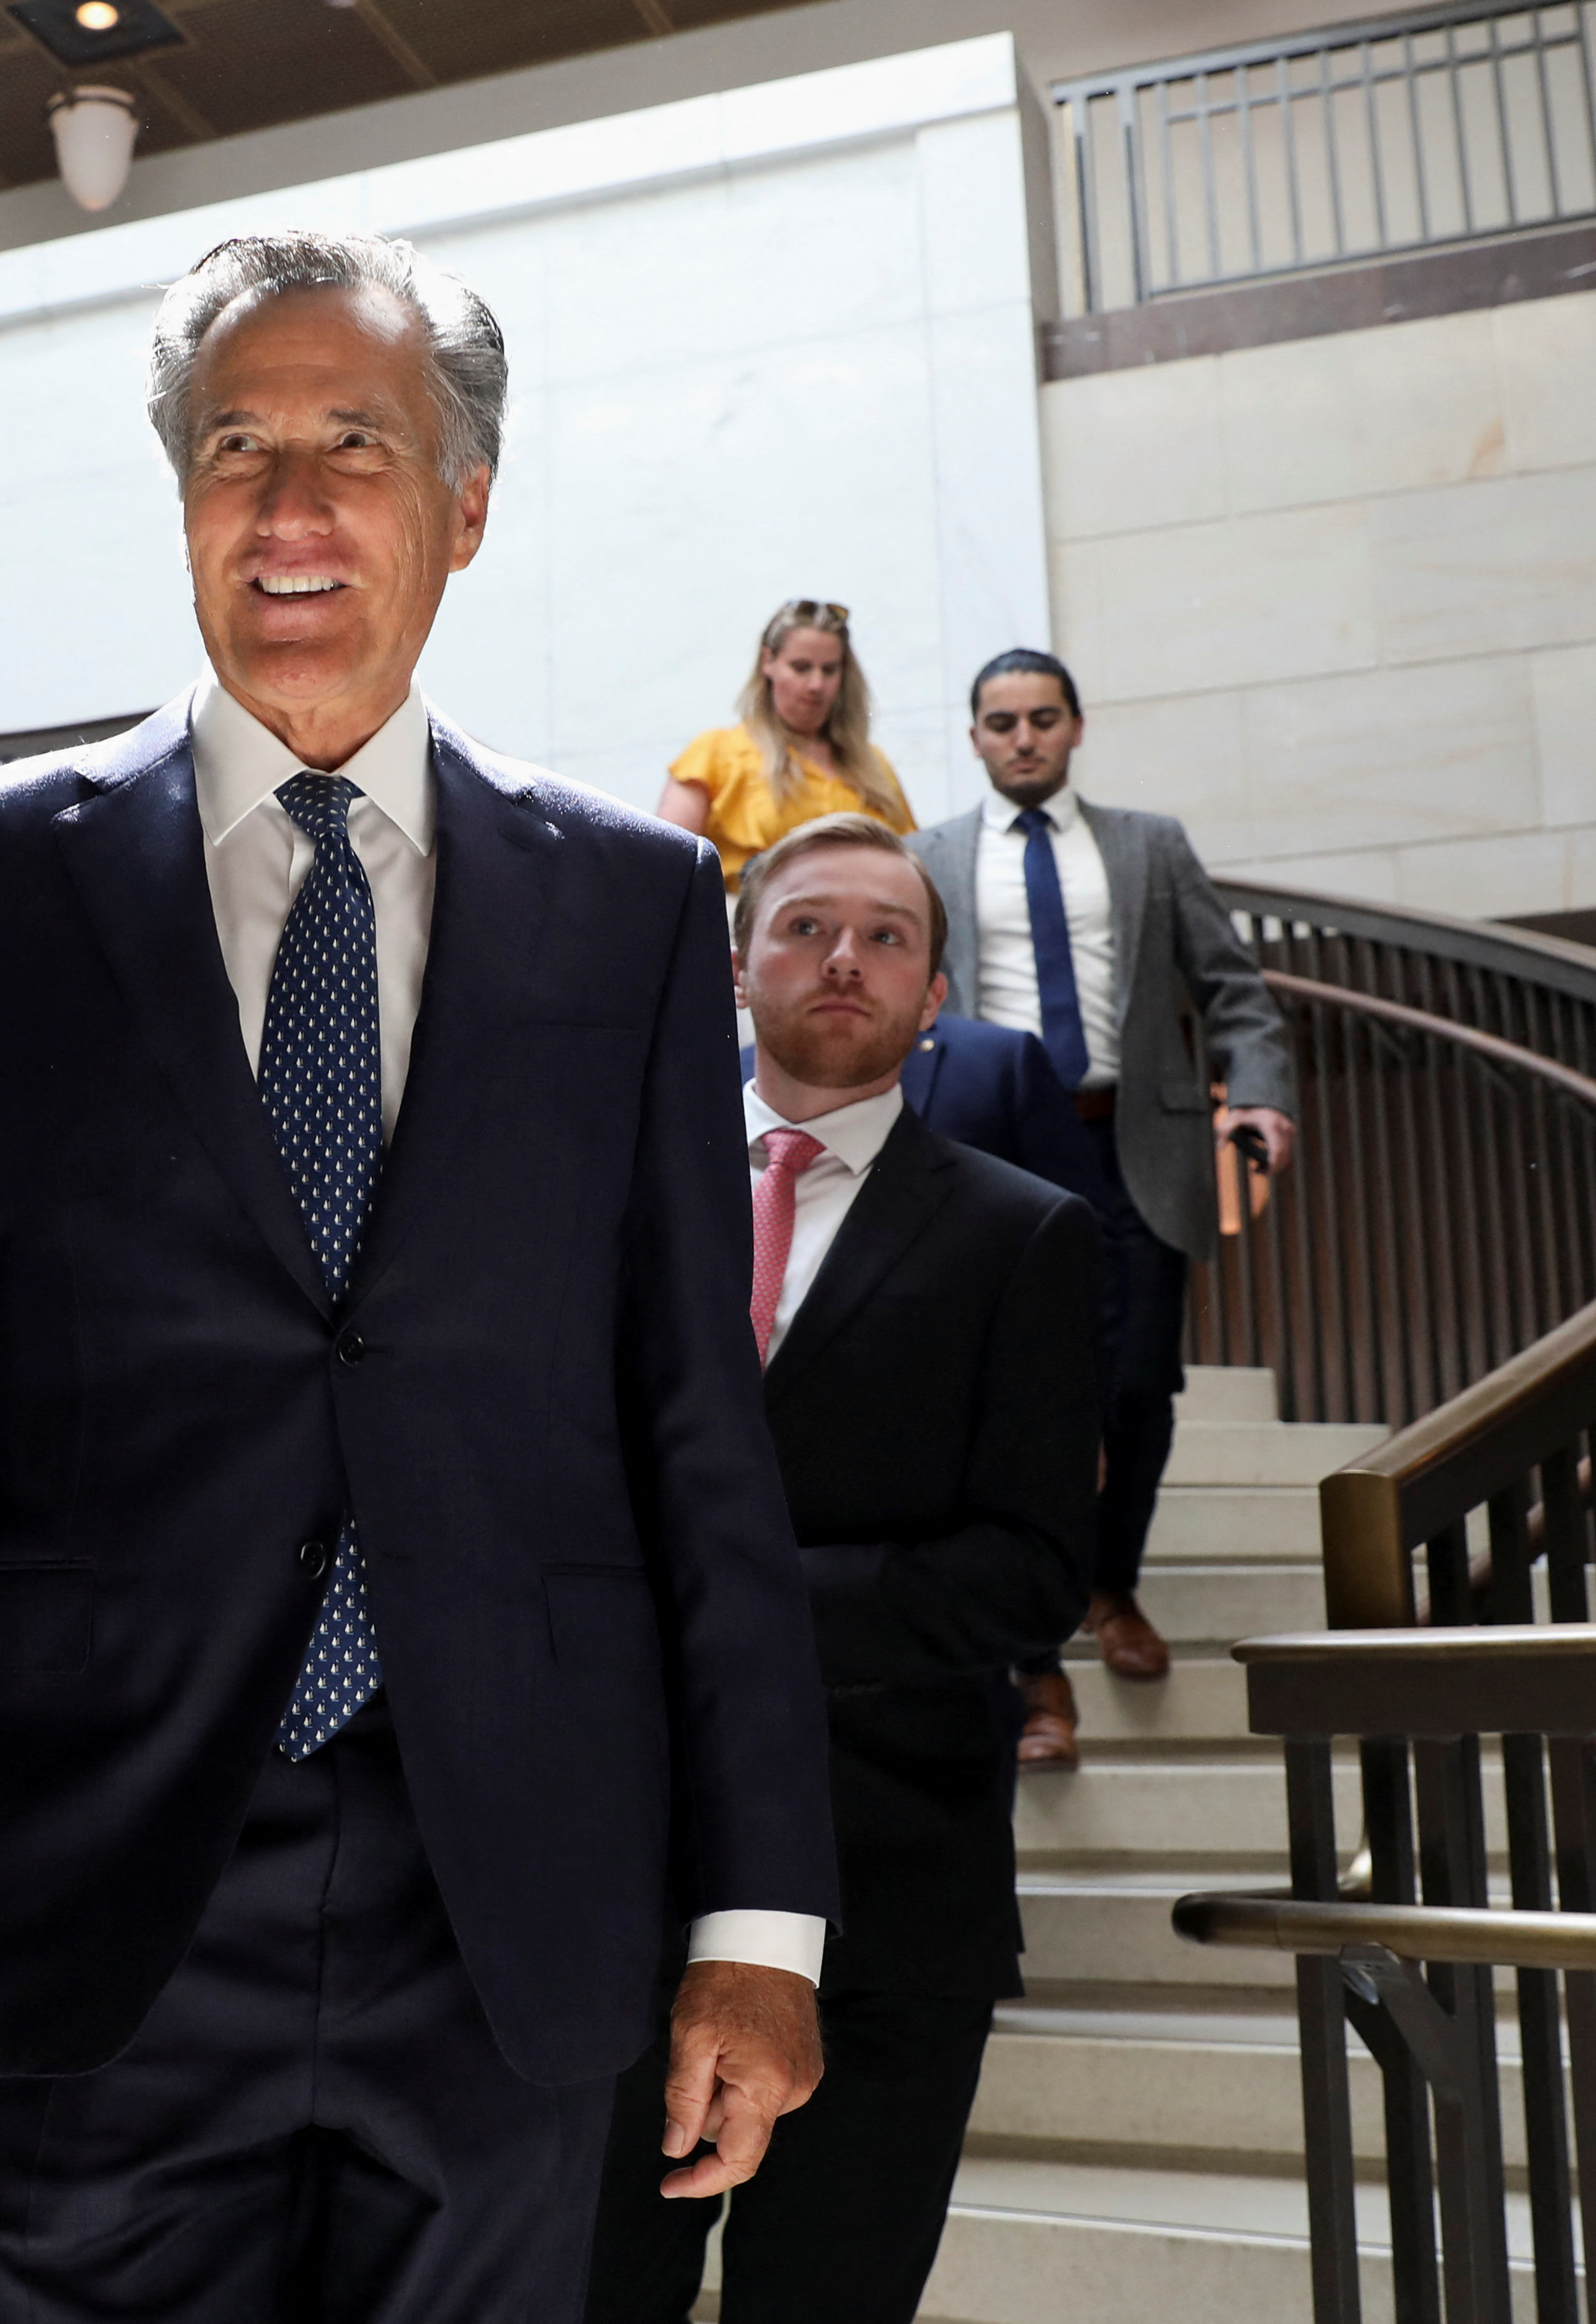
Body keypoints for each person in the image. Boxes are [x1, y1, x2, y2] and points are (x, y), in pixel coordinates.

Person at [0, 229, 840, 2324]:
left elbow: (702, 1440)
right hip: (87, 1896)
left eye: (353, 446)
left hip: (508, 1902)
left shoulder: (646, 914)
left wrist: (761, 1913)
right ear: (181, 501)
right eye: (235, 448)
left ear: (466, 505)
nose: (289, 508)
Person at [587, 813, 1096, 2324]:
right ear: (734, 964)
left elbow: (1023, 1574)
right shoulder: (601, 1211)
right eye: (805, 925)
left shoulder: (1027, 1236)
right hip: (606, 1883)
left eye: (887, 935)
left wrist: (717, 1614)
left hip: (890, 1890)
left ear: (933, 994)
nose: (844, 958)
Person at [908, 649, 1296, 1696]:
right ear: (976, 735)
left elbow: (1233, 988)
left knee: (1132, 1388)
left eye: (1042, 718)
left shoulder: (1149, 847)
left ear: (1075, 727)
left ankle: (1111, 1586)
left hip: (1133, 1143)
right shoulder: (926, 854)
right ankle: (1031, 1655)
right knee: (1000, 1398)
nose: (1022, 737)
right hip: (988, 1153)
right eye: (1001, 722)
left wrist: (1258, 1090)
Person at [896, 1012, 1129, 1771]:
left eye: (882, 935)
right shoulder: (725, 1074)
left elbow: (1080, 1241)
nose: (843, 961)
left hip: (980, 1380)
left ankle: (1042, 1684)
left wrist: (1082, 1410)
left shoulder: (995, 1060)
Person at [655, 600, 915, 888]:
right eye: (801, 668)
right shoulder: (716, 753)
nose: (816, 684)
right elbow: (664, 868)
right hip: (746, 925)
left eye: (829, 670)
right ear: (768, 662)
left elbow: (915, 866)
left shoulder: (874, 765)